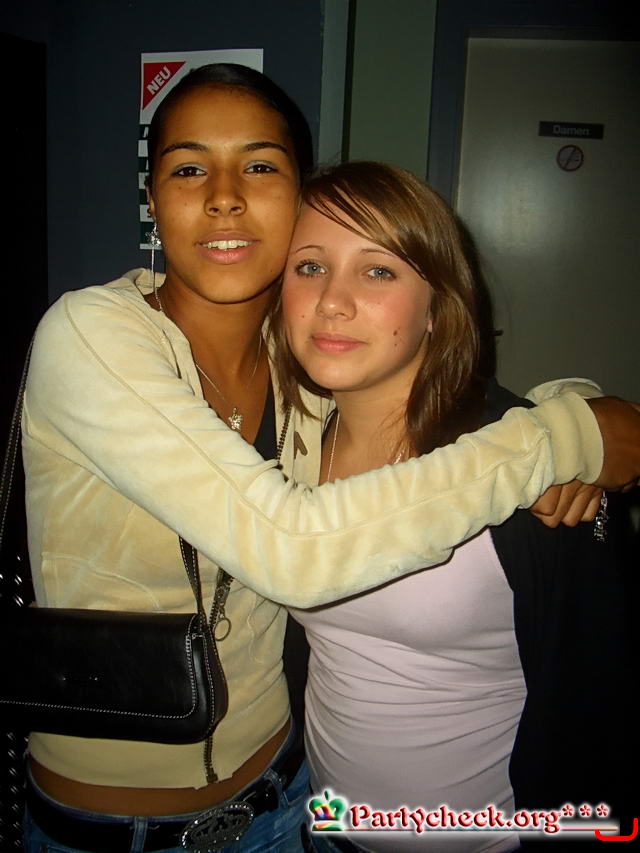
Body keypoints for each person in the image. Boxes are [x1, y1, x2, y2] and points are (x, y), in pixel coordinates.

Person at [20, 63, 639, 853]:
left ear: (296, 196)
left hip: (288, 801)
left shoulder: (304, 376)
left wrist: (566, 403)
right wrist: (568, 431)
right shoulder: (90, 334)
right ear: (152, 200)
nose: (224, 196)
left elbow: (424, 407)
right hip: (114, 829)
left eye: (259, 166)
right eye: (188, 169)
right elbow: (298, 549)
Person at [273, 161, 636, 852]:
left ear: (437, 306)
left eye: (378, 271)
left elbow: (601, 702)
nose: (332, 302)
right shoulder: (283, 444)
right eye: (310, 266)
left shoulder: (531, 470)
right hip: (321, 831)